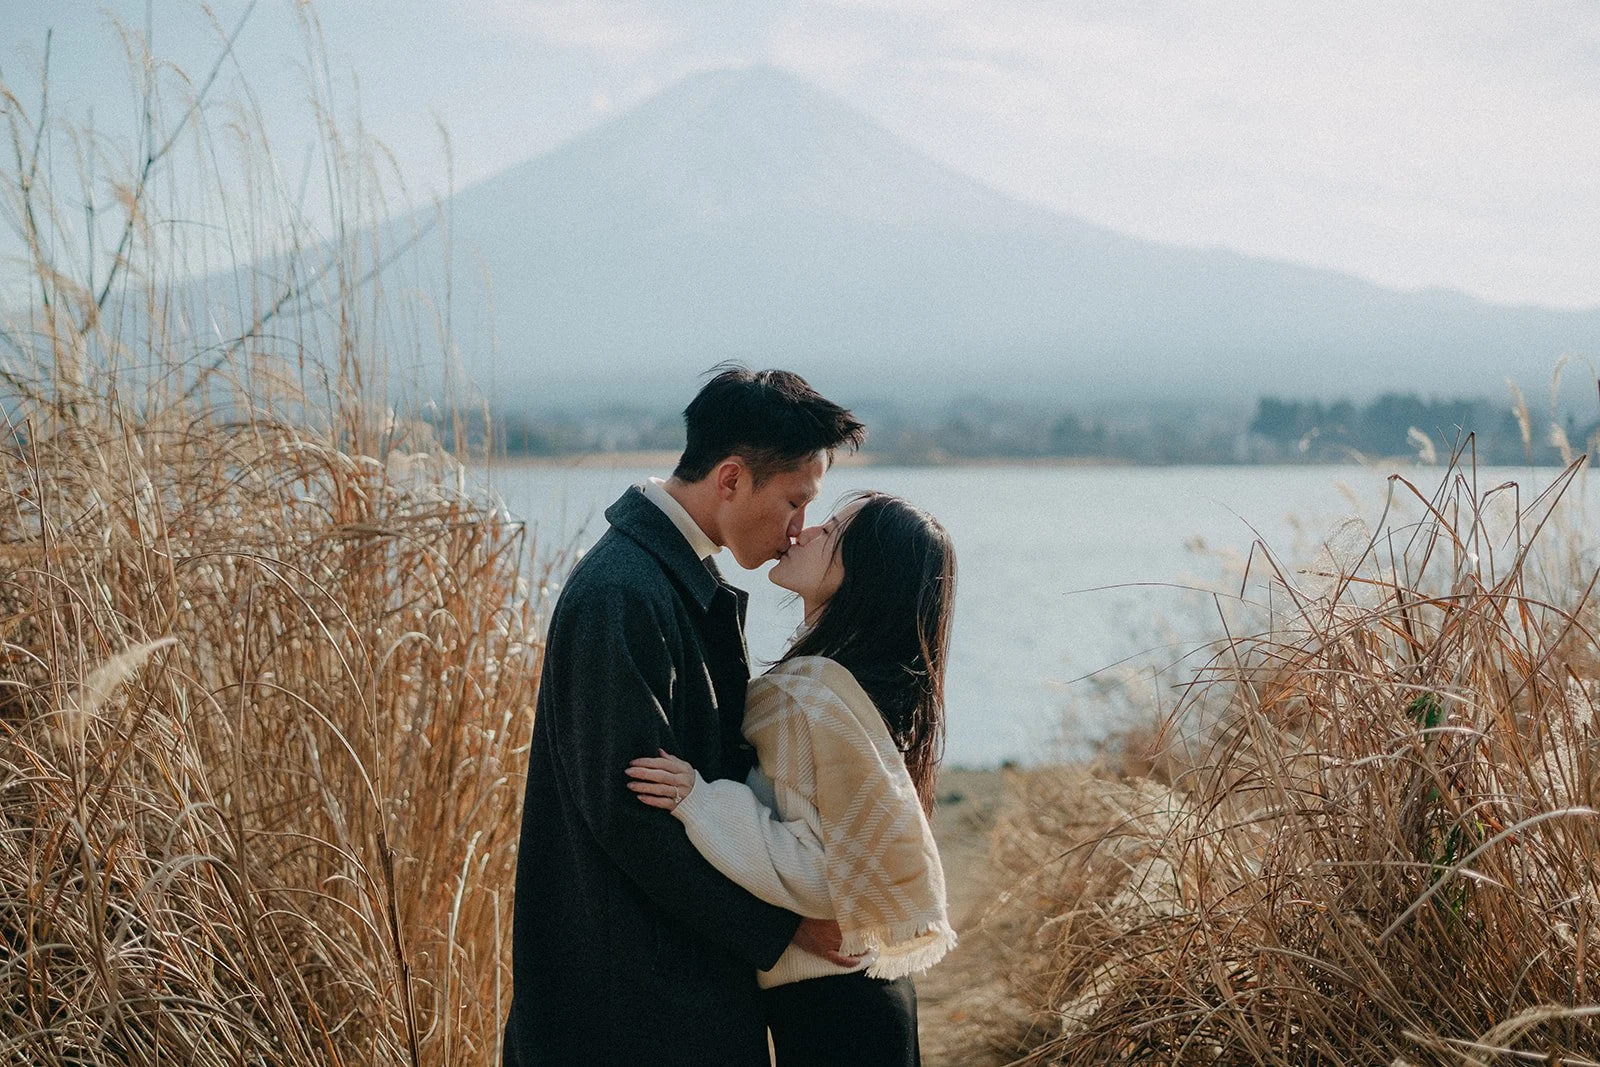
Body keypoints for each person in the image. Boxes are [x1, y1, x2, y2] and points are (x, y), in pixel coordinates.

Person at [501, 366, 866, 1066]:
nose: (799, 531)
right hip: (623, 1012)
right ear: (730, 479)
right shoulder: (622, 592)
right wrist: (782, 924)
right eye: (793, 502)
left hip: (663, 996)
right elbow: (628, 817)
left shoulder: (670, 576)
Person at [626, 491, 958, 1066]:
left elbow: (828, 876)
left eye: (829, 531)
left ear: (864, 576)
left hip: (834, 1004)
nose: (805, 530)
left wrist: (701, 803)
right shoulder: (846, 689)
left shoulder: (811, 694)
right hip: (860, 998)